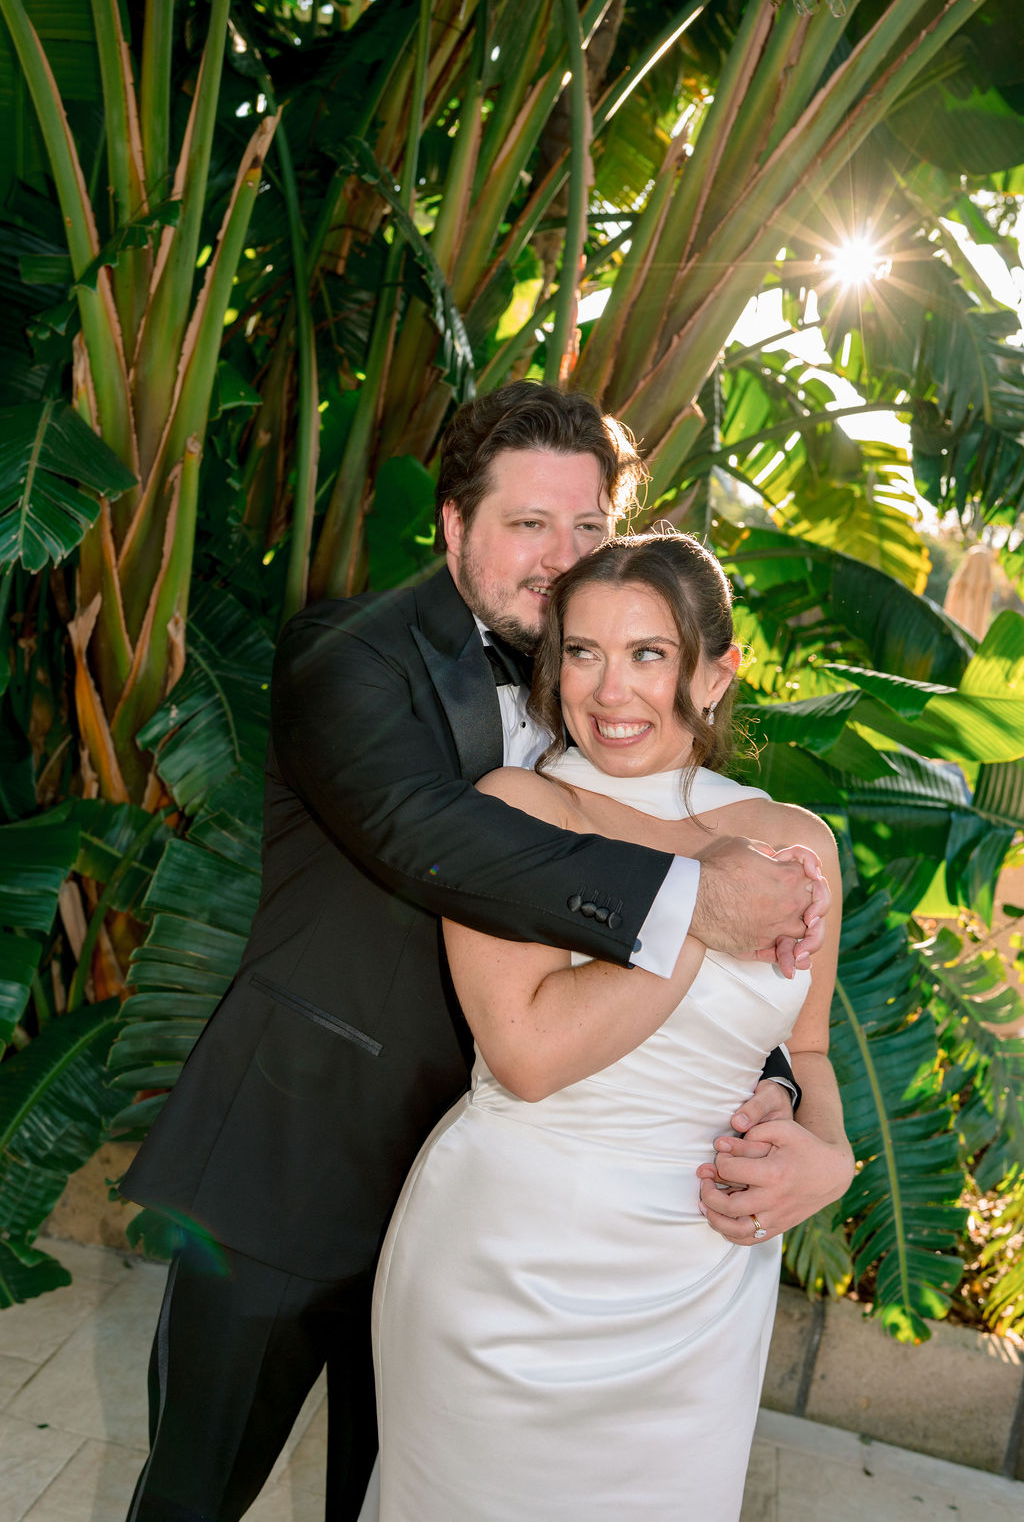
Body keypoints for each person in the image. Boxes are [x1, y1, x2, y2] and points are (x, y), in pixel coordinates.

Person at [120, 382, 833, 1522]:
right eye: (527, 525)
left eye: (589, 526)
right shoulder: (349, 656)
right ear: (455, 527)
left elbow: (747, 989)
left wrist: (786, 1101)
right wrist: (697, 892)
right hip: (305, 1152)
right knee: (200, 1493)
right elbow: (426, 833)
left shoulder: (601, 687)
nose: (562, 560)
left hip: (502, 1205)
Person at [367, 533, 854, 1521]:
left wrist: (831, 1156)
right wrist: (695, 901)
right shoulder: (513, 810)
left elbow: (805, 1049)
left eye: (649, 654)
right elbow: (531, 1057)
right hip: (510, 1267)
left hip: (702, 1282)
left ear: (716, 676)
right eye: (581, 652)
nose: (608, 690)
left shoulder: (795, 842)